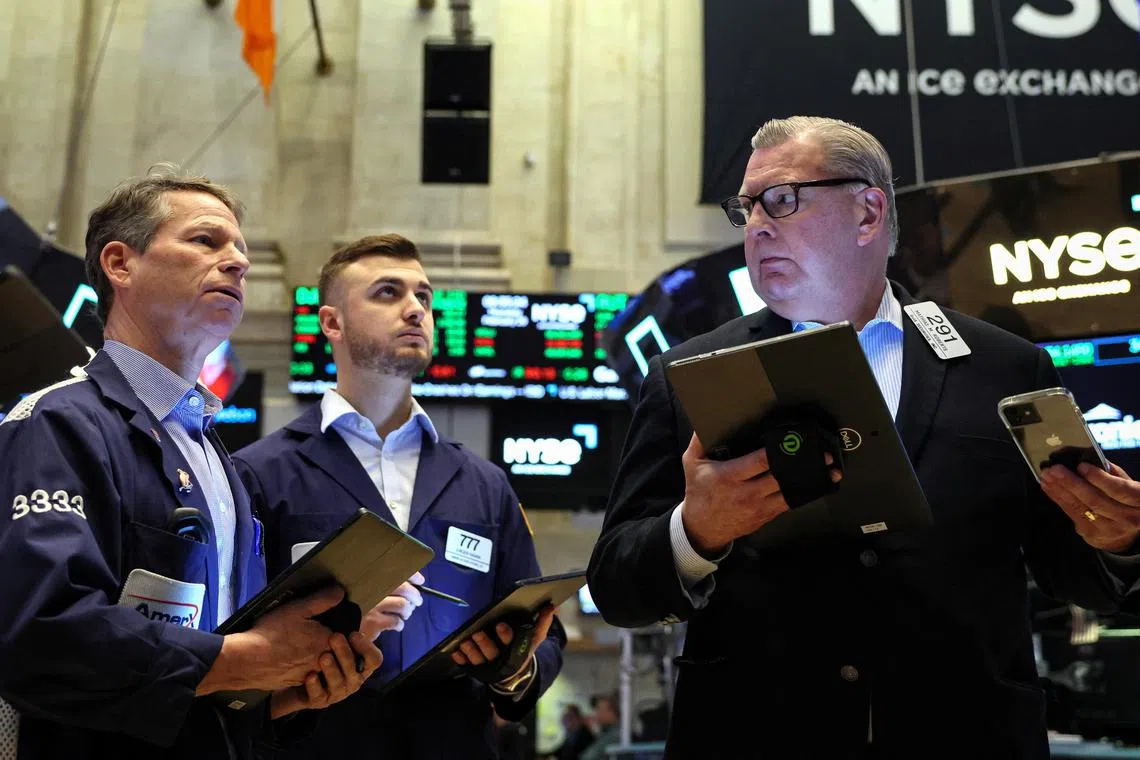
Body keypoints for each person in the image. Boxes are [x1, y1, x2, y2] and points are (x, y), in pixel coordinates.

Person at [586, 116, 1140, 759]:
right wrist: (696, 532)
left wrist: (1121, 539)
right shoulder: (689, 375)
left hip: (966, 738)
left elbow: (1079, 573)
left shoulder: (1004, 368)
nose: (757, 225)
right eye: (746, 210)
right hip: (757, 737)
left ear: (869, 211)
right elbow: (617, 588)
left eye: (782, 199)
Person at [0, 167, 382, 760]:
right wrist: (241, 660)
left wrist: (277, 697)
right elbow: (43, 632)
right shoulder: (59, 422)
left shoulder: (213, 456)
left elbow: (206, 665)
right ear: (120, 264)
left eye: (242, 252)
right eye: (206, 241)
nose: (238, 263)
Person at [233, 234, 566, 759]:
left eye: (424, 297)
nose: (415, 309)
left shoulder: (483, 482)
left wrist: (515, 668)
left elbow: (546, 634)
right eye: (387, 293)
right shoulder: (258, 472)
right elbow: (226, 641)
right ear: (332, 323)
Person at [580, 694, 620, 760]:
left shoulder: (616, 735)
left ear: (611, 711)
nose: (596, 713)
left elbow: (588, 757)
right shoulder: (605, 732)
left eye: (599, 709)